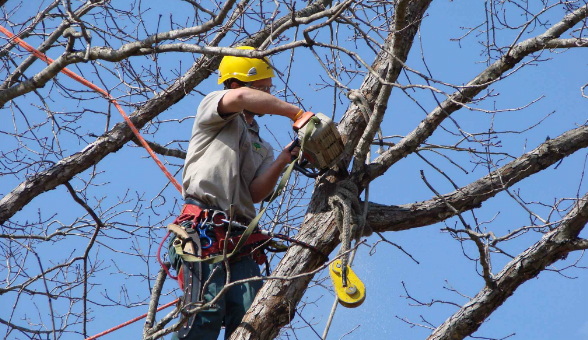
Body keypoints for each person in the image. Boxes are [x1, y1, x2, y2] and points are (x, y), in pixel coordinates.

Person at [168, 46, 305, 340]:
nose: (268, 96)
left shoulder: (262, 145)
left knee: (253, 318)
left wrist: (283, 159)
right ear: (235, 83)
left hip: (240, 241)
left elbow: (256, 192)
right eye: (262, 90)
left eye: (269, 90)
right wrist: (297, 112)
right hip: (203, 231)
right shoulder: (214, 110)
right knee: (203, 317)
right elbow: (241, 99)